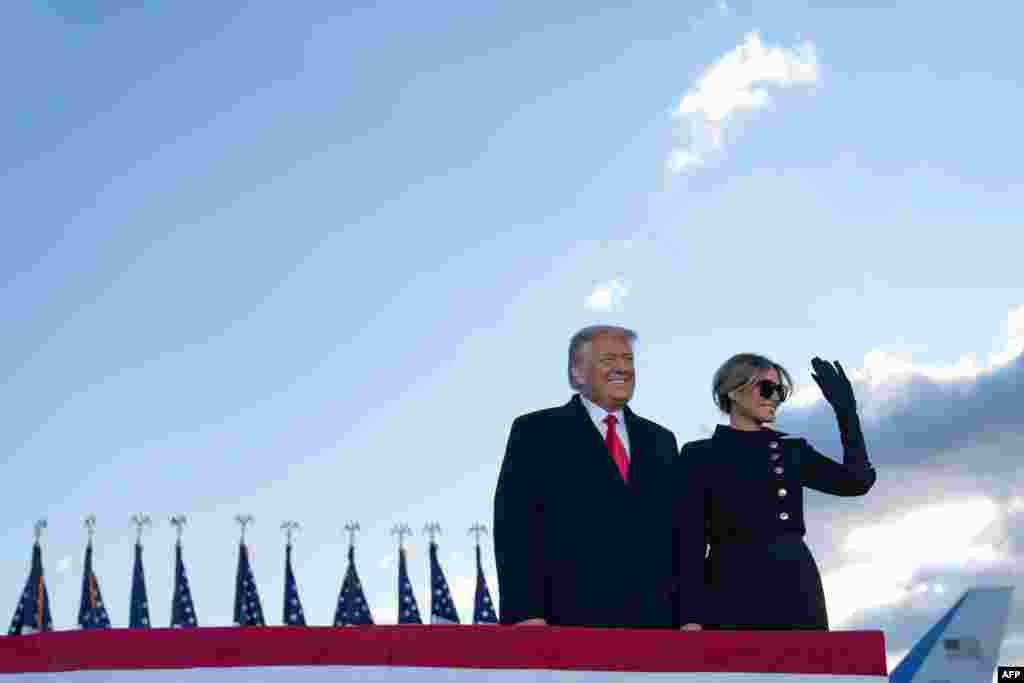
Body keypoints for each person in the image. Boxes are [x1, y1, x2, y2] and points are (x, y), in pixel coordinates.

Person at [493, 325, 704, 629]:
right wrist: (525, 613)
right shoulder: (536, 431)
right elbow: (515, 526)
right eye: (608, 360)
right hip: (568, 622)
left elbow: (682, 535)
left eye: (628, 360)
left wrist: (690, 617)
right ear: (577, 373)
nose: (623, 368)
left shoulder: (661, 440)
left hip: (655, 624)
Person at [678, 354, 876, 630]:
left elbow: (857, 481)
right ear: (734, 391)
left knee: (804, 672)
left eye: (780, 391)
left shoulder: (791, 450)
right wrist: (690, 616)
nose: (775, 398)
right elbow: (690, 543)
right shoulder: (699, 456)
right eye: (766, 388)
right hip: (729, 589)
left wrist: (846, 412)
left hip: (794, 587)